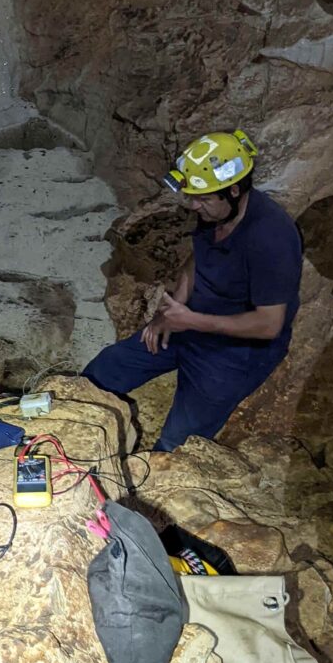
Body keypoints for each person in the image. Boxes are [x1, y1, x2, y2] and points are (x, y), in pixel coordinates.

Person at [83, 130, 302, 452]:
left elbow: (269, 324)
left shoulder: (271, 237)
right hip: (191, 324)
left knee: (176, 444)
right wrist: (169, 311)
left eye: (202, 199)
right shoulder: (217, 212)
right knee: (104, 371)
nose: (193, 206)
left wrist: (189, 320)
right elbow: (198, 258)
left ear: (234, 190)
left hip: (236, 352)